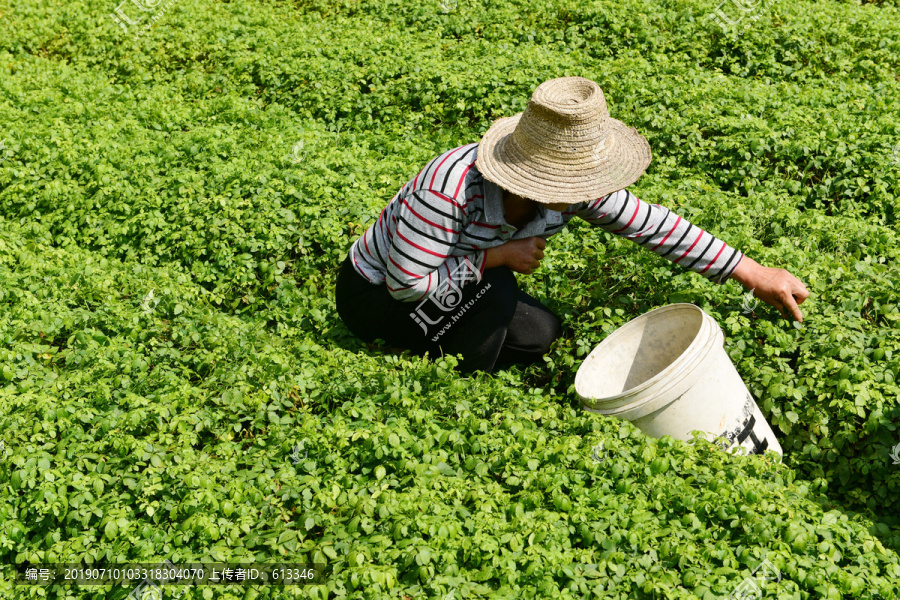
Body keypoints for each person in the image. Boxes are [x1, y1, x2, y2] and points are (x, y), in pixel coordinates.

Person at [335, 77, 809, 374]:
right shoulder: (447, 192)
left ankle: (447, 347)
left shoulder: (574, 189)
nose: (587, 190)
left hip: (453, 286)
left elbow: (651, 224)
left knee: (540, 334)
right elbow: (407, 286)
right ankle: (446, 388)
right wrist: (494, 258)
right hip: (377, 297)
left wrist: (750, 271)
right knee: (496, 292)